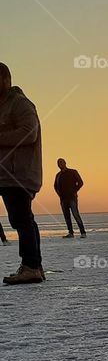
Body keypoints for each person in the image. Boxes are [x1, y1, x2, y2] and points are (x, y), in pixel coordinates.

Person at [0, 64, 44, 284]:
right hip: (7, 174)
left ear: (6, 79)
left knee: (21, 219)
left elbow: (29, 133)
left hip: (19, 174)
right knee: (23, 218)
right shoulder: (3, 106)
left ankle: (31, 266)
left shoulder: (19, 104)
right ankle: (35, 264)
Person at [54, 158, 86, 237]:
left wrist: (74, 191)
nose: (60, 164)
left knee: (75, 214)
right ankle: (70, 233)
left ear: (65, 163)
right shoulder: (58, 175)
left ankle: (83, 232)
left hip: (72, 198)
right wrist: (59, 194)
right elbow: (55, 186)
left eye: (61, 162)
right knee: (66, 216)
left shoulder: (73, 172)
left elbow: (81, 182)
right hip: (63, 199)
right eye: (58, 163)